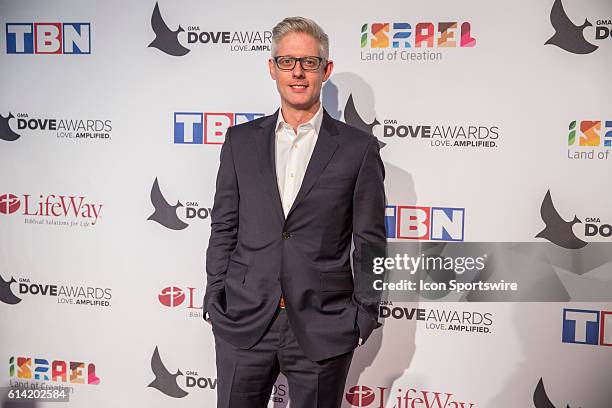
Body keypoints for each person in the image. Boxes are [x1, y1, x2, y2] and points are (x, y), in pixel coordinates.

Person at [203, 16, 387, 408]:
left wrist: (363, 315)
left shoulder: (358, 149)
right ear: (272, 68)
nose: (298, 72)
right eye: (287, 62)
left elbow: (370, 240)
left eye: (309, 62)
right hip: (243, 321)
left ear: (326, 69)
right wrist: (215, 297)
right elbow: (224, 227)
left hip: (324, 325)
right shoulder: (240, 142)